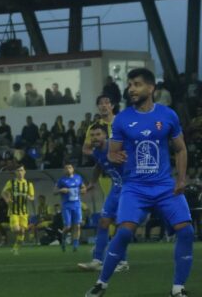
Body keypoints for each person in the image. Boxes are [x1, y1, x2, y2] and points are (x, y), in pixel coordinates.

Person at [86, 68, 194, 297]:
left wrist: (181, 179)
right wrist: (113, 156)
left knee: (186, 232)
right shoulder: (123, 119)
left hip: (165, 186)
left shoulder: (168, 115)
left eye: (136, 84)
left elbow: (181, 149)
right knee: (124, 233)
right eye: (130, 85)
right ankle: (101, 284)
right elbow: (112, 153)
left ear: (151, 88)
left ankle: (178, 289)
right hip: (134, 188)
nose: (131, 89)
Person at [77, 124, 130, 273]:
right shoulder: (97, 152)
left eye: (98, 134)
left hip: (128, 189)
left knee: (121, 224)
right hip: (116, 188)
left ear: (105, 135)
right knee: (103, 221)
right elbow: (98, 166)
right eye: (92, 135)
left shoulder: (115, 148)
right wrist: (92, 183)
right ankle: (97, 260)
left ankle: (123, 261)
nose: (94, 138)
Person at [2, 165, 35, 255]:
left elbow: (32, 197)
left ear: (24, 172)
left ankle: (16, 248)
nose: (20, 172)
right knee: (17, 229)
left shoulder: (28, 184)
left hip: (24, 212)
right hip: (13, 210)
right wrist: (7, 199)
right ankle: (18, 243)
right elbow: (4, 192)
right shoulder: (11, 182)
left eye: (21, 170)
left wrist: (28, 197)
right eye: (18, 171)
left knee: (22, 231)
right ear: (16, 173)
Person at [55, 163, 86, 252]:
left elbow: (83, 187)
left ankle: (75, 244)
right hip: (66, 205)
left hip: (77, 205)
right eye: (66, 168)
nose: (68, 169)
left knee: (77, 225)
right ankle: (63, 239)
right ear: (64, 170)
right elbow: (54, 191)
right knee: (68, 226)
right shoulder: (61, 180)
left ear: (73, 169)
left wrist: (83, 190)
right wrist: (61, 190)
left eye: (70, 167)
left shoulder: (78, 178)